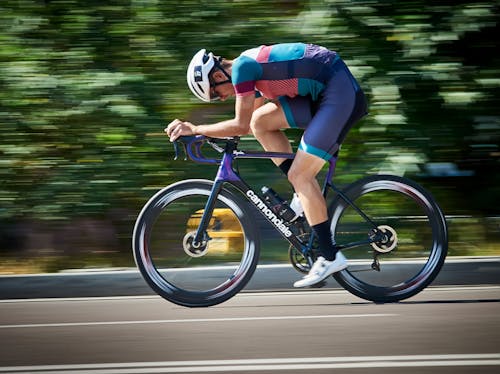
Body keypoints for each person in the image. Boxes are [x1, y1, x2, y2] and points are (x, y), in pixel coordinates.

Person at [165, 43, 368, 287]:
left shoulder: (243, 68)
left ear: (218, 75)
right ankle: (301, 193)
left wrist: (196, 129)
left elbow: (239, 125)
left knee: (300, 175)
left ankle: (330, 256)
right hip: (321, 92)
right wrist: (211, 134)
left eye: (217, 93)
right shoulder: (247, 68)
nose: (223, 98)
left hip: (339, 93)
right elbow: (251, 121)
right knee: (261, 123)